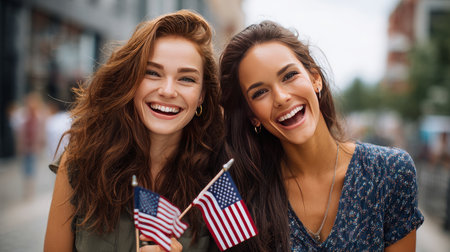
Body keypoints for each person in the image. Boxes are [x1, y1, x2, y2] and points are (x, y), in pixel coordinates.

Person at [219, 21, 424, 251]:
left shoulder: (390, 171)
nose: (281, 97)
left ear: (315, 78)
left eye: (288, 76)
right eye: (260, 92)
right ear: (252, 115)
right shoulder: (242, 197)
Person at [44, 10, 223, 252]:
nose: (168, 90)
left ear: (202, 95)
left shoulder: (218, 178)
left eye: (187, 79)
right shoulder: (81, 160)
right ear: (132, 81)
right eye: (152, 73)